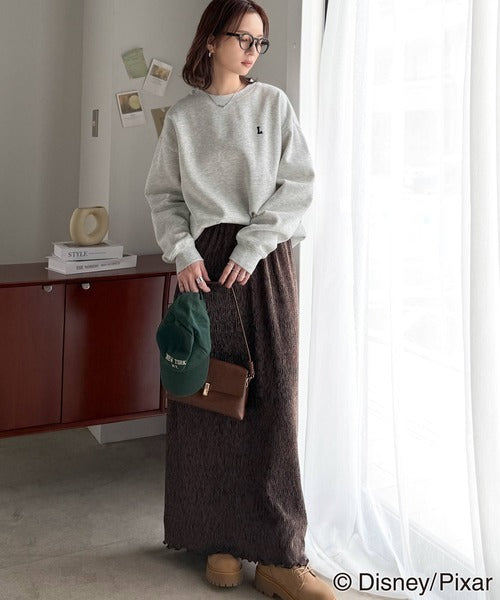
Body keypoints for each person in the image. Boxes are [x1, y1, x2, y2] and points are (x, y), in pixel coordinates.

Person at [144, 1, 335, 598]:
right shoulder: (183, 118)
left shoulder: (272, 105)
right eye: (242, 38)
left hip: (261, 260)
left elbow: (298, 185)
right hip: (203, 265)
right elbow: (164, 197)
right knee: (211, 396)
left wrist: (251, 249)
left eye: (260, 42)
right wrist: (183, 253)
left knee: (273, 397)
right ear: (210, 40)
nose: (252, 51)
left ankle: (280, 556)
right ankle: (218, 541)